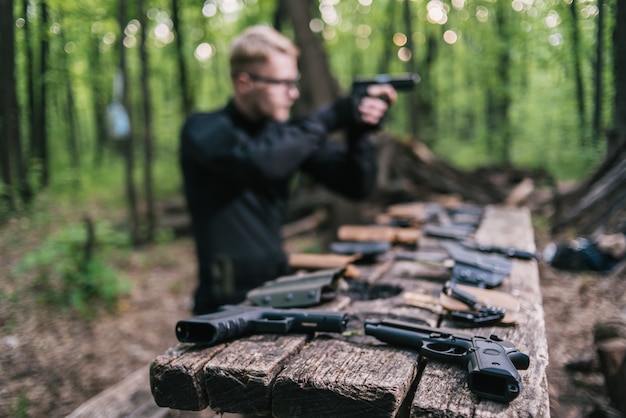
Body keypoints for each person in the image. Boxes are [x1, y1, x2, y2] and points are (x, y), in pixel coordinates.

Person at [179, 25, 397, 314]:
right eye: (283, 83)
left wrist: (358, 131)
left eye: (295, 82)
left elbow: (355, 185)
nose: (293, 94)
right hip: (224, 298)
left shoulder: (286, 137)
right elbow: (261, 162)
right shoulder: (204, 130)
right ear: (245, 83)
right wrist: (333, 115)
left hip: (278, 288)